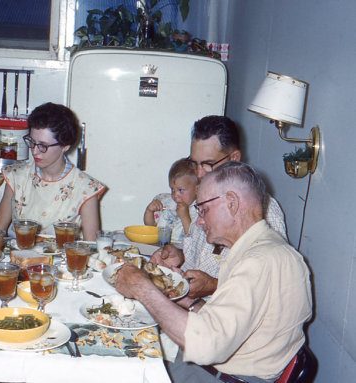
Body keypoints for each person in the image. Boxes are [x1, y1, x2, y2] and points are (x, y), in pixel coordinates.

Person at [116, 161, 312, 383]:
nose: (198, 222)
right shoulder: (260, 249)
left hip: (226, 376)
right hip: (224, 368)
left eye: (203, 210)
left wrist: (142, 288)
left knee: (119, 367)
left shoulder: (259, 261)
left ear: (232, 203)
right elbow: (231, 324)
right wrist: (188, 301)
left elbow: (204, 345)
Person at [151, 116, 287, 302]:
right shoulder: (203, 200)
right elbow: (200, 257)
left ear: (234, 158)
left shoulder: (264, 210)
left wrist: (214, 285)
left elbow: (270, 285)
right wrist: (178, 257)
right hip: (196, 309)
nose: (199, 174)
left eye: (207, 164)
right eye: (194, 163)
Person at [0, 103, 106, 241]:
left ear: (65, 146)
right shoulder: (17, 176)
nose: (34, 151)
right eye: (32, 142)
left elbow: (91, 246)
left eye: (43, 146)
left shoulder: (86, 188)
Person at [143, 158, 199, 243]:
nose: (175, 195)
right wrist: (149, 211)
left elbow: (193, 240)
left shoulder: (200, 211)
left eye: (181, 190)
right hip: (161, 248)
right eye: (172, 189)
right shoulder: (167, 203)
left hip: (182, 253)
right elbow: (151, 227)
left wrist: (185, 217)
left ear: (197, 189)